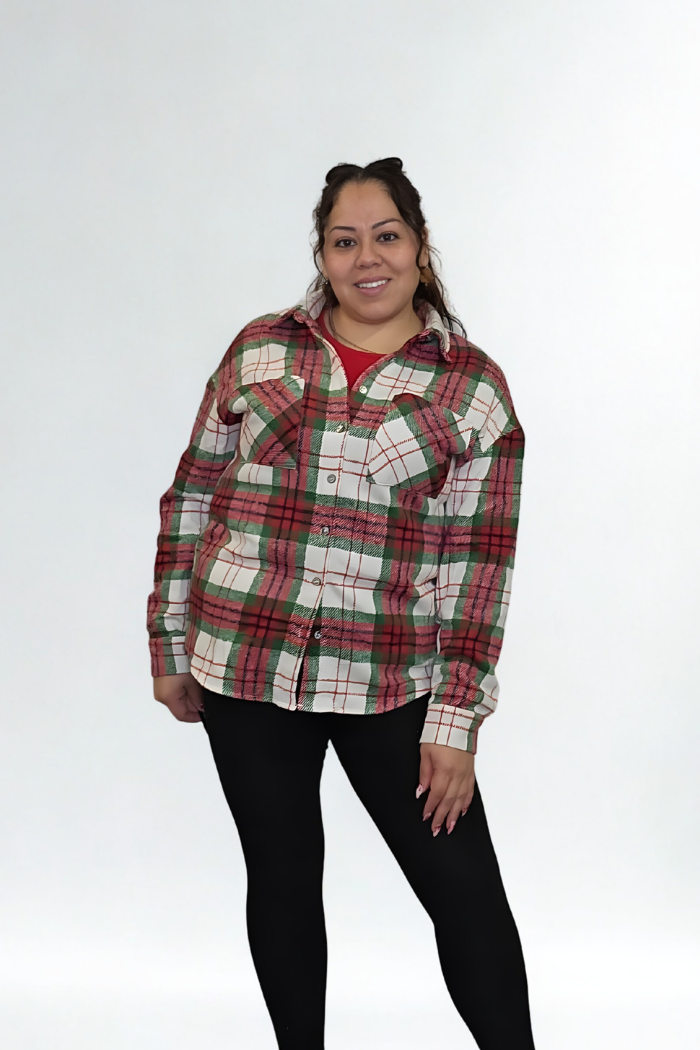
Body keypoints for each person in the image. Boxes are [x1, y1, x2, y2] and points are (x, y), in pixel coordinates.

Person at [147, 156, 535, 1049]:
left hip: (388, 684)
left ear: (420, 248)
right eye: (345, 240)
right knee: (282, 879)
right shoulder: (260, 350)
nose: (369, 257)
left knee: (466, 893)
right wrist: (169, 643)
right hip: (244, 664)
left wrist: (457, 719)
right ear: (321, 255)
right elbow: (194, 494)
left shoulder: (472, 391)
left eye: (387, 236)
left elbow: (481, 565)